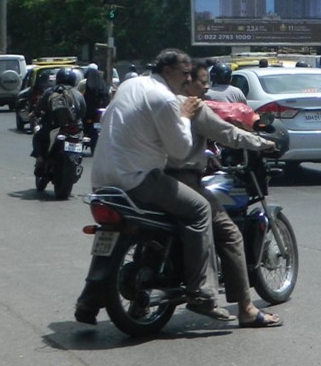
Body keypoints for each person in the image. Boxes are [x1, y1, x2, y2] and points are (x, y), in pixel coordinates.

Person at [74, 49, 231, 326]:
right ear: (168, 71)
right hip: (138, 178)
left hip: (103, 179)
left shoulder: (130, 84)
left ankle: (88, 301)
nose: (188, 80)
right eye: (185, 74)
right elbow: (180, 151)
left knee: (114, 235)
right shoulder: (165, 99)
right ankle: (202, 293)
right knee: (199, 209)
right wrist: (184, 115)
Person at [173, 61, 281, 327]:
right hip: (183, 180)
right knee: (229, 234)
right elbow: (227, 132)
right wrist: (263, 143)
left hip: (147, 177)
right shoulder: (193, 105)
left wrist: (204, 155)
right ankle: (244, 307)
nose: (207, 87)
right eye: (201, 82)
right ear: (187, 82)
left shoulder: (158, 102)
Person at [31, 68, 86, 172]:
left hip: (54, 127)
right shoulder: (78, 93)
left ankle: (40, 160)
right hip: (74, 128)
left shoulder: (51, 91)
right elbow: (83, 111)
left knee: (37, 137)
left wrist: (34, 113)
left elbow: (39, 107)